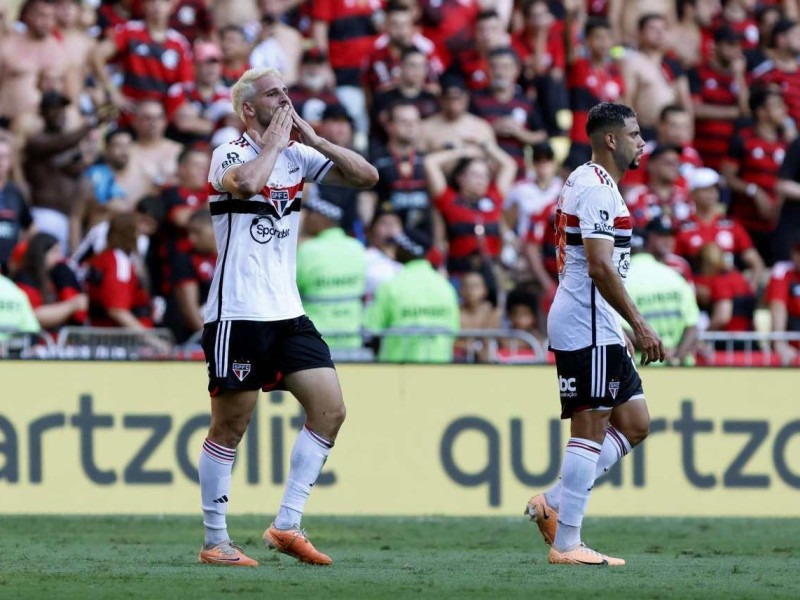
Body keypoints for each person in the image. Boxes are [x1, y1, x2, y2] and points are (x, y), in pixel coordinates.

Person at [197, 67, 378, 567]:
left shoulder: (300, 155)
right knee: (231, 426)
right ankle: (216, 540)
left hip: (287, 310)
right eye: (274, 94)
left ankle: (287, 524)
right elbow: (249, 183)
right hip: (238, 312)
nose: (286, 99)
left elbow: (367, 177)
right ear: (248, 108)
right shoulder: (228, 154)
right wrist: (274, 145)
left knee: (330, 409)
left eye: (286, 91)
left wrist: (316, 140)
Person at [525, 102, 664, 566]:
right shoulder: (595, 189)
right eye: (635, 133)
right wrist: (639, 324)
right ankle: (567, 543)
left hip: (596, 319)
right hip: (585, 321)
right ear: (611, 139)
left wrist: (616, 323)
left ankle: (553, 500)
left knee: (636, 422)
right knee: (590, 427)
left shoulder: (595, 183)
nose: (641, 142)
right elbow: (600, 265)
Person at [365, 230, 460, 363]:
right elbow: (453, 329)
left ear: (406, 249)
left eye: (397, 246)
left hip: (397, 371)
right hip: (439, 368)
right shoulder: (445, 287)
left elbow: (371, 328)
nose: (394, 250)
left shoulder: (391, 286)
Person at [296, 193, 367, 349]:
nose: (306, 218)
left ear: (324, 218)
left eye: (311, 213)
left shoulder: (307, 251)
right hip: (352, 339)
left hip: (315, 341)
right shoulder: (357, 248)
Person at [626, 220, 700, 366]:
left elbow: (619, 327)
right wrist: (677, 357)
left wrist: (659, 351)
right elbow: (692, 324)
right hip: (680, 365)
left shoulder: (621, 281)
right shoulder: (676, 276)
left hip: (644, 365)